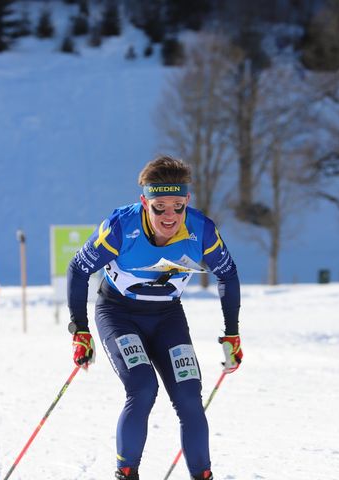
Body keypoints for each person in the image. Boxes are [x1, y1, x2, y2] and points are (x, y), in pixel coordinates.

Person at [66, 156, 243, 480]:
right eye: (159, 207)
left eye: (178, 206)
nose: (170, 216)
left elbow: (228, 276)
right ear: (144, 201)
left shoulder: (201, 230)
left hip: (167, 317)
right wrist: (81, 330)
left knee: (189, 394)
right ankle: (127, 474)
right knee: (143, 388)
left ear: (187, 200)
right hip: (118, 313)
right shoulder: (120, 227)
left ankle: (202, 475)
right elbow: (78, 269)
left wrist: (232, 333)